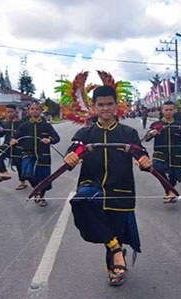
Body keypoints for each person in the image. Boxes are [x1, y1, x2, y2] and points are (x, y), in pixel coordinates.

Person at [64, 85, 153, 286]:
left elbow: (140, 152)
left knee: (114, 230)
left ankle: (114, 258)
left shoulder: (128, 133)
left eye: (109, 104)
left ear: (116, 106)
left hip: (121, 189)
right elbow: (75, 147)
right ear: (93, 107)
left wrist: (144, 160)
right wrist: (71, 156)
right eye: (100, 105)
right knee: (80, 201)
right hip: (92, 185)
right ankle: (115, 251)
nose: (105, 109)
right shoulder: (85, 133)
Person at [13, 102, 60, 206]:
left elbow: (56, 138)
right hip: (28, 153)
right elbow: (15, 136)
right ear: (29, 111)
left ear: (40, 111)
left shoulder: (46, 125)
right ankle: (36, 190)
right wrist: (13, 140)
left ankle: (41, 197)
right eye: (32, 109)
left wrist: (49, 140)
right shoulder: (24, 125)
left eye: (37, 109)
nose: (34, 111)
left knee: (43, 178)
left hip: (43, 155)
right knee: (27, 173)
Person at [145, 101, 181, 203]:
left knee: (174, 176)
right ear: (162, 111)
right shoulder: (156, 124)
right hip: (160, 154)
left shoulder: (179, 125)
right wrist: (151, 133)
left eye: (171, 110)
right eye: (166, 110)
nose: (168, 112)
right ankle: (169, 191)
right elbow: (147, 138)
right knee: (157, 169)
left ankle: (170, 192)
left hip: (176, 153)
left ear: (174, 110)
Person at [0, 105, 26, 187]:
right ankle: (4, 173)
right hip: (7, 145)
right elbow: (1, 134)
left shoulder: (22, 123)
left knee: (19, 164)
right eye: (7, 112)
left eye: (11, 112)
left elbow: (25, 134)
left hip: (19, 146)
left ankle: (22, 182)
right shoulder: (5, 124)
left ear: (16, 112)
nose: (9, 114)